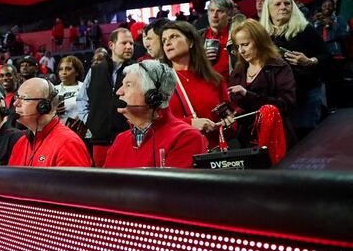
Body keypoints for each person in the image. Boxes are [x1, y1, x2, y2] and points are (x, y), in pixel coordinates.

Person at [105, 61, 207, 168]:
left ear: (152, 96)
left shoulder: (187, 138)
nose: (119, 92)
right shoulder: (120, 141)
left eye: (128, 85)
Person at [260, 0, 330, 140]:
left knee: (307, 140)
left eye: (287, 3)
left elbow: (326, 55)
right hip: (278, 98)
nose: (283, 7)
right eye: (277, 4)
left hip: (306, 95)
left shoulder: (305, 29)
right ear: (268, 9)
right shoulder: (262, 35)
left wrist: (309, 61)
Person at [161, 21, 235, 150]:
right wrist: (189, 123)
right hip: (179, 154)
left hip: (213, 155)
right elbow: (154, 125)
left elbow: (232, 120)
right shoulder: (160, 82)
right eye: (164, 40)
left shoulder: (215, 79)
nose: (167, 42)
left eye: (174, 36)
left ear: (191, 42)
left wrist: (228, 123)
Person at [228, 19, 297, 148]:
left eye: (245, 44)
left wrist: (247, 94)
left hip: (276, 137)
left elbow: (286, 104)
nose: (241, 51)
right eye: (238, 46)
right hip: (245, 140)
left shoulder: (279, 67)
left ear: (259, 42)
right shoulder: (238, 71)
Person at [76, 28, 137, 167]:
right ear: (111, 45)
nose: (129, 46)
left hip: (129, 140)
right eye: (124, 43)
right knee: (102, 184)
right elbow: (82, 99)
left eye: (131, 43)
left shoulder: (137, 69)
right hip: (100, 141)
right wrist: (92, 121)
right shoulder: (95, 70)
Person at [8, 78, 91, 167]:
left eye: (25, 98)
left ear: (43, 106)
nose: (15, 103)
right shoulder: (22, 143)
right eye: (17, 97)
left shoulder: (68, 144)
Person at [55, 55, 85, 127]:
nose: (63, 72)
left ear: (77, 72)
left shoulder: (85, 88)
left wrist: (83, 116)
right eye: (61, 69)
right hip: (60, 130)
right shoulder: (53, 90)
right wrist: (53, 112)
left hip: (83, 130)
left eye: (68, 69)